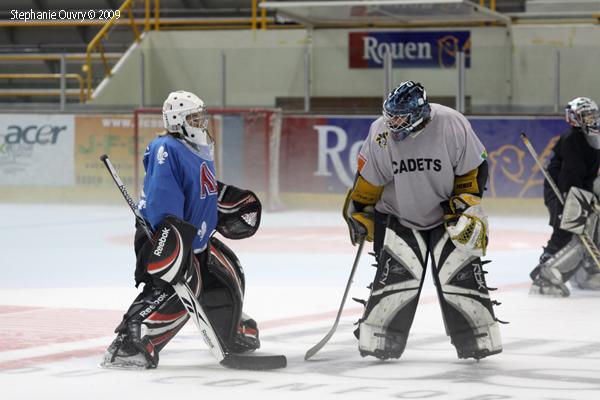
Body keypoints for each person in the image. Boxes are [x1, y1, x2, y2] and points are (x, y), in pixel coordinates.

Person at [343, 80, 502, 361]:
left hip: (447, 216)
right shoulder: (381, 132)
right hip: (398, 213)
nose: (393, 122)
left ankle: (477, 338)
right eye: (391, 115)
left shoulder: (452, 124)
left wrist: (464, 205)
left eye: (401, 117)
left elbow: (474, 169)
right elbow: (369, 179)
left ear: (419, 114)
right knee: (394, 279)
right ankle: (380, 338)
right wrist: (359, 208)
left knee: (461, 278)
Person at [102, 90, 262, 369]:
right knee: (180, 286)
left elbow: (200, 190)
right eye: (194, 118)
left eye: (202, 117)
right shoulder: (167, 148)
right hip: (165, 238)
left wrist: (224, 205)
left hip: (194, 241)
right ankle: (130, 342)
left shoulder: (197, 149)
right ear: (178, 120)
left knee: (227, 273)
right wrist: (172, 239)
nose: (201, 123)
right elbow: (163, 199)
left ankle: (229, 329)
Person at [529, 97, 600, 297]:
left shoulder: (592, 136)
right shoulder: (573, 139)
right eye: (586, 115)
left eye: (592, 114)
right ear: (574, 118)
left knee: (591, 230)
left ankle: (586, 272)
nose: (591, 118)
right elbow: (570, 175)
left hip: (578, 191)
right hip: (563, 191)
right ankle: (544, 275)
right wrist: (574, 199)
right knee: (566, 232)